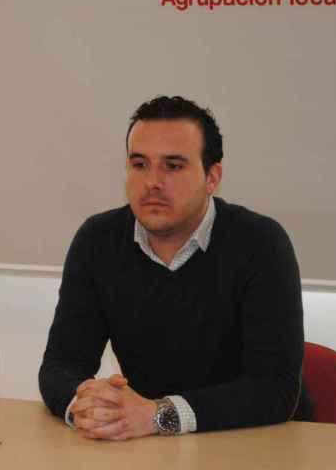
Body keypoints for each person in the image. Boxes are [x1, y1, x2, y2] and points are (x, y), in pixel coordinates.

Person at [38, 95, 311, 439]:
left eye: (173, 166)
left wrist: (158, 415)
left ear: (212, 177)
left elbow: (274, 388)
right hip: (149, 448)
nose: (152, 181)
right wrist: (88, 405)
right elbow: (61, 365)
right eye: (139, 164)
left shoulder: (260, 243)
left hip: (259, 443)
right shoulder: (98, 239)